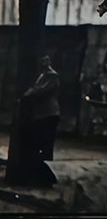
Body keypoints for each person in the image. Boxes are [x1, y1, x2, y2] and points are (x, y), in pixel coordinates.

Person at [20, 54, 61, 186]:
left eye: (46, 60)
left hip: (49, 114)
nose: (43, 62)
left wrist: (27, 94)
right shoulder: (42, 75)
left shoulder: (51, 75)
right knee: (40, 145)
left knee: (45, 146)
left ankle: (46, 178)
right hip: (42, 114)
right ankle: (41, 175)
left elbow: (41, 90)